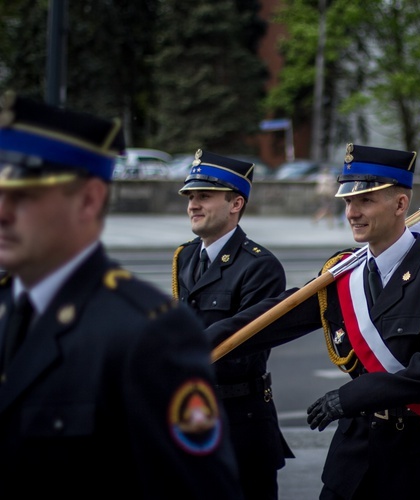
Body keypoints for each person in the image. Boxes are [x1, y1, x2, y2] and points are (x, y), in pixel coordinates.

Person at [0, 92, 243, 497]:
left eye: (23, 195)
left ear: (89, 200)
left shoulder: (147, 335)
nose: (3, 211)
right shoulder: (7, 310)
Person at [205, 143, 420, 500]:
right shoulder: (344, 273)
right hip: (355, 459)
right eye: (348, 201)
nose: (352, 212)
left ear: (400, 204)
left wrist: (349, 397)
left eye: (365, 200)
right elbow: (276, 316)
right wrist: (199, 342)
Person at [173, 149, 293, 500]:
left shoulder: (260, 267)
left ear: (235, 204)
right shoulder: (186, 256)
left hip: (240, 423)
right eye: (191, 197)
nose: (193, 205)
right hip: (192, 415)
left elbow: (244, 352)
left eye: (204, 196)